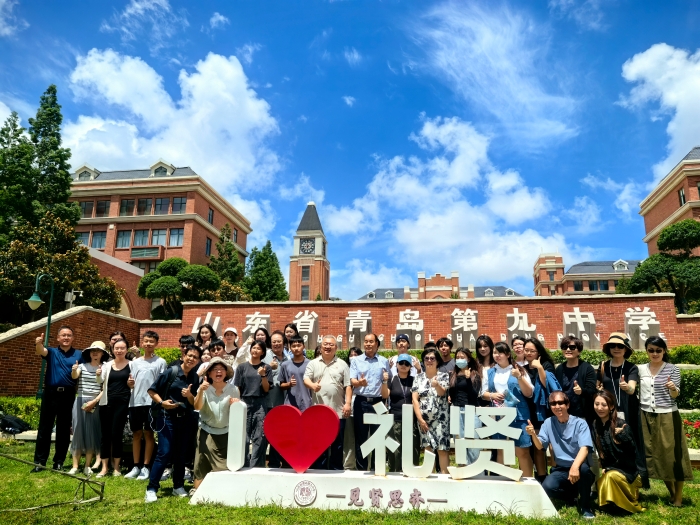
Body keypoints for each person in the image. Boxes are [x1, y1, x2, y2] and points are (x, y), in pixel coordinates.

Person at [639, 336, 692, 507]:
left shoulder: (672, 369)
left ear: (664, 351)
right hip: (645, 415)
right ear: (646, 351)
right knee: (656, 455)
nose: (655, 353)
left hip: (668, 415)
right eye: (651, 350)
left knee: (674, 456)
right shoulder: (640, 369)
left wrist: (673, 388)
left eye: (658, 350)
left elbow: (675, 395)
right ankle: (671, 493)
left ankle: (678, 497)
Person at [526, 391, 596, 519]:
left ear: (567, 405)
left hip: (579, 466)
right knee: (547, 487)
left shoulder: (580, 423)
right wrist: (533, 435)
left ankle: (585, 506)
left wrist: (575, 467)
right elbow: (540, 446)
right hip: (561, 468)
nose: (557, 406)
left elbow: (585, 448)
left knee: (585, 470)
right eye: (553, 404)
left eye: (560, 403)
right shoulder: (548, 423)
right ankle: (572, 496)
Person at [145, 345, 200, 502]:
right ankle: (151, 488)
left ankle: (178, 486)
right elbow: (152, 390)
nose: (191, 359)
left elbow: (194, 403)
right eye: (189, 355)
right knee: (164, 452)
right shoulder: (171, 372)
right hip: (167, 417)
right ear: (184, 355)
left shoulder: (195, 377)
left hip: (186, 418)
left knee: (181, 454)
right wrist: (162, 402)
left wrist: (189, 395)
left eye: (195, 357)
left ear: (198, 361)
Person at [598, 332, 646, 486]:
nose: (616, 348)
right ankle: (612, 477)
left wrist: (627, 387)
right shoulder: (603, 366)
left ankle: (636, 480)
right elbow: (598, 386)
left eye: (620, 346)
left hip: (628, 409)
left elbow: (632, 388)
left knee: (630, 443)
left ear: (626, 349)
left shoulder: (631, 367)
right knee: (610, 442)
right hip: (609, 411)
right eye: (612, 346)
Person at [481, 342, 534, 477]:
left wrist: (519, 377)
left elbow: (529, 393)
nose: (497, 355)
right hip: (498, 416)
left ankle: (528, 482)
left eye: (500, 353)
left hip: (519, 415)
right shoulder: (490, 372)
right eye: (495, 353)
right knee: (501, 450)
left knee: (522, 451)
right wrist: (492, 395)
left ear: (508, 355)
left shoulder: (519, 370)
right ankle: (503, 483)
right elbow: (483, 393)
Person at [32, 326, 81, 472]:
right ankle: (40, 462)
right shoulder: (52, 352)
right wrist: (38, 343)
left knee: (63, 429)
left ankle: (59, 461)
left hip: (68, 394)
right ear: (58, 338)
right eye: (63, 335)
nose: (66, 337)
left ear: (73, 338)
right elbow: (41, 351)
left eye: (69, 335)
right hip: (51, 393)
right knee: (45, 428)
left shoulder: (79, 354)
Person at [192, 357, 240, 495]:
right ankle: (197, 492)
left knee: (225, 466)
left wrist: (235, 404)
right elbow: (197, 407)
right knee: (201, 463)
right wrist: (201, 391)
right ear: (209, 373)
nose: (218, 371)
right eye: (215, 369)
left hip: (226, 432)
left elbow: (237, 412)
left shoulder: (233, 389)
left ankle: (222, 493)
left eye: (221, 369)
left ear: (226, 372)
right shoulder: (204, 388)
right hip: (206, 431)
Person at [304, 335, 352, 470]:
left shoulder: (342, 364)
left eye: (331, 345)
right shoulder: (313, 363)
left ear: (336, 348)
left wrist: (348, 403)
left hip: (338, 412)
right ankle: (319, 471)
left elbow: (348, 386)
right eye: (325, 344)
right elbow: (306, 379)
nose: (328, 347)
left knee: (337, 444)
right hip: (318, 412)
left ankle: (336, 471)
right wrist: (313, 385)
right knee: (319, 444)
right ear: (321, 347)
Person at [592, 390, 644, 514]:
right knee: (602, 481)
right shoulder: (596, 424)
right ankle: (611, 504)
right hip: (613, 470)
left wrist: (623, 438)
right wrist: (606, 467)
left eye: (604, 405)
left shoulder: (621, 425)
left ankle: (629, 504)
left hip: (630, 472)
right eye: (596, 404)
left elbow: (633, 455)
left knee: (610, 477)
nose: (599, 408)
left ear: (611, 407)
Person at [124, 331, 166, 481]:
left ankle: (146, 467)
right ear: (142, 343)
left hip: (151, 403)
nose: (148, 344)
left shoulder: (161, 362)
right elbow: (130, 382)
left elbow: (162, 383)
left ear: (156, 344)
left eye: (151, 341)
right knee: (136, 434)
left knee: (148, 433)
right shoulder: (134, 363)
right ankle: (136, 466)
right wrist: (129, 384)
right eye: (146, 341)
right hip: (135, 402)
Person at [350, 333, 392, 471]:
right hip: (361, 402)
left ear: (377, 344)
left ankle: (376, 469)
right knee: (361, 438)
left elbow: (387, 382)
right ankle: (361, 470)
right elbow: (352, 380)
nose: (368, 344)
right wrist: (359, 383)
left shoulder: (383, 361)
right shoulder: (356, 361)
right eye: (366, 341)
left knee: (377, 437)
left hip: (378, 402)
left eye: (371, 341)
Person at [96, 339, 135, 477]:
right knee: (105, 436)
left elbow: (134, 384)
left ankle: (117, 467)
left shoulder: (132, 364)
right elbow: (100, 381)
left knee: (116, 435)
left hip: (123, 404)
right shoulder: (106, 365)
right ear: (112, 350)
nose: (119, 350)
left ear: (126, 349)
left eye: (122, 348)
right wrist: (98, 374)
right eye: (116, 348)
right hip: (106, 403)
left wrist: (132, 384)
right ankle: (104, 467)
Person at [69, 341, 108, 475]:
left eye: (98, 351)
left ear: (102, 354)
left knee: (91, 433)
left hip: (95, 402)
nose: (95, 353)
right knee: (78, 431)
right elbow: (75, 376)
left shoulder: (105, 368)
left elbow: (104, 389)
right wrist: (74, 370)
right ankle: (75, 466)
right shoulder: (82, 366)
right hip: (80, 400)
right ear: (89, 353)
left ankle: (87, 466)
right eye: (92, 351)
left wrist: (94, 401)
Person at [522, 337, 559, 482]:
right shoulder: (524, 368)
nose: (528, 353)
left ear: (539, 352)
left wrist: (539, 367)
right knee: (538, 445)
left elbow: (547, 384)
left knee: (553, 445)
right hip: (532, 410)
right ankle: (542, 477)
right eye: (526, 350)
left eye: (532, 350)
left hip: (547, 409)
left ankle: (556, 474)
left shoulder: (546, 365)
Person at [233, 340, 273, 467]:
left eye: (259, 348)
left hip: (260, 403)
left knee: (259, 436)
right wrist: (237, 403)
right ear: (250, 350)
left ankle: (256, 466)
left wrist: (263, 376)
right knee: (244, 437)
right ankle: (243, 464)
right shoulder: (242, 367)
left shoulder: (266, 367)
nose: (255, 350)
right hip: (244, 402)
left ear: (263, 352)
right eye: (254, 347)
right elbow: (237, 387)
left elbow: (266, 389)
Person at [411, 347, 450, 474]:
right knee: (428, 450)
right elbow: (415, 399)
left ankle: (445, 479)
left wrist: (436, 385)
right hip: (424, 421)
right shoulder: (418, 378)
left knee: (442, 449)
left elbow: (442, 393)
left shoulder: (443, 376)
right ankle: (430, 478)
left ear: (437, 361)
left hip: (440, 419)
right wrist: (420, 419)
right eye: (426, 358)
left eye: (432, 358)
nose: (429, 361)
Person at [448, 347, 482, 466]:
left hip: (471, 411)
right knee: (460, 443)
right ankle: (462, 469)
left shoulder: (474, 375)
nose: (459, 359)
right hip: (456, 411)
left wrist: (468, 379)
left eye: (462, 357)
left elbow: (474, 395)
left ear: (468, 359)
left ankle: (476, 470)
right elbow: (452, 394)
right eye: (457, 357)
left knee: (473, 442)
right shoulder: (453, 375)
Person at [388, 354, 420, 472]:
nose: (403, 365)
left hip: (411, 420)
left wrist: (419, 370)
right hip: (395, 419)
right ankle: (395, 472)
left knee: (413, 448)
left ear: (410, 367)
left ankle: (412, 472)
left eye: (407, 364)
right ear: (396, 365)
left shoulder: (414, 380)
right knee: (395, 449)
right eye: (401, 363)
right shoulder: (392, 379)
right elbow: (385, 395)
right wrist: (384, 380)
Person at [554, 336, 596, 423]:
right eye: (565, 347)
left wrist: (581, 391)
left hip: (582, 415)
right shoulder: (559, 369)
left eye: (572, 347)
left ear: (579, 351)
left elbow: (592, 390)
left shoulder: (587, 368)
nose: (568, 349)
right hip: (564, 414)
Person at [266, 330, 289, 468]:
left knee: (283, 434)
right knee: (271, 434)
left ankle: (284, 462)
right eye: (274, 341)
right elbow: (257, 373)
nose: (276, 344)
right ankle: (273, 463)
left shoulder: (288, 358)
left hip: (285, 402)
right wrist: (269, 367)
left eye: (279, 341)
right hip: (270, 402)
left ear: (284, 343)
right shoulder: (265, 357)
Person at [279, 335, 312, 412]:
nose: (296, 348)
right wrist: (289, 384)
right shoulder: (285, 364)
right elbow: (281, 385)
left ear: (304, 346)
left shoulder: (311, 364)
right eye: (293, 346)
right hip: (290, 404)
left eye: (299, 345)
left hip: (307, 404)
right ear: (290, 348)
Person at [342, 347, 362, 470]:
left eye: (356, 354)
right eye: (351, 354)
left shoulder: (363, 369)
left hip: (360, 406)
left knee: (362, 438)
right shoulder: (345, 369)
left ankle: (363, 465)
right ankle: (348, 465)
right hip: (347, 407)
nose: (353, 357)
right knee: (348, 438)